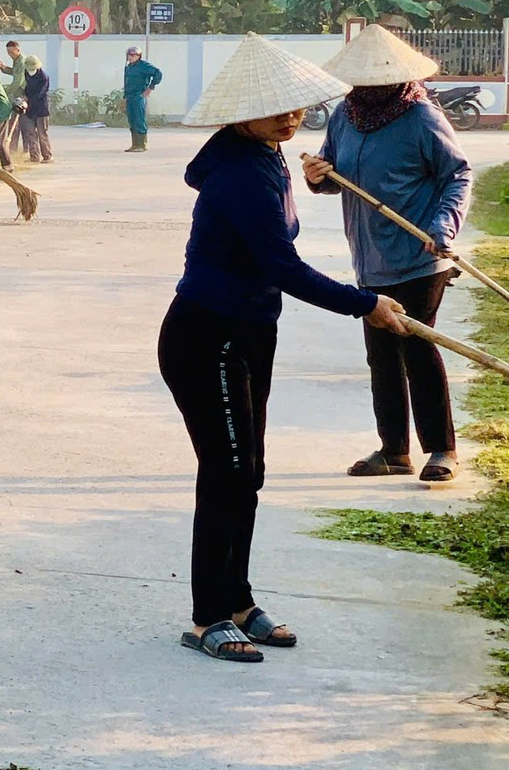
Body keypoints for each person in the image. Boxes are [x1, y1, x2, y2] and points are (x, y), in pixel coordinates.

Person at [160, 34, 408, 663]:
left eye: (296, 104)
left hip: (248, 332)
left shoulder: (266, 155)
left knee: (250, 473)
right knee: (226, 472)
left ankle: (238, 600)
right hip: (206, 336)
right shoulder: (241, 172)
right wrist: (366, 303)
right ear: (239, 110)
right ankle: (206, 616)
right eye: (273, 107)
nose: (289, 115)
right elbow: (284, 266)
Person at [305, 25, 473, 483]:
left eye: (377, 81)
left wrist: (442, 227)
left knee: (417, 348)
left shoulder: (421, 116)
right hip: (370, 255)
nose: (369, 89)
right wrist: (318, 175)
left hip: (421, 255)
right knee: (381, 354)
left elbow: (457, 175)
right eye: (361, 82)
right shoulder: (346, 115)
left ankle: (442, 449)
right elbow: (329, 172)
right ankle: (394, 451)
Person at [124, 46, 163, 152]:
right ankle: (135, 144)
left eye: (133, 55)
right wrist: (125, 97)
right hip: (130, 96)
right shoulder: (128, 67)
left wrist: (150, 88)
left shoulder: (144, 66)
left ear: (138, 56)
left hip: (139, 96)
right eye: (129, 55)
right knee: (131, 120)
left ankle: (142, 145)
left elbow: (158, 74)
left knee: (139, 119)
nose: (131, 57)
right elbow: (127, 83)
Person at [20, 53, 54, 164]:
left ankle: (47, 156)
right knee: (30, 133)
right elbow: (27, 88)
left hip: (41, 109)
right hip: (29, 109)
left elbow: (39, 94)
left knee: (42, 133)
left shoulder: (43, 77)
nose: (30, 70)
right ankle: (34, 156)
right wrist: (24, 97)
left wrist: (28, 100)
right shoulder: (26, 73)